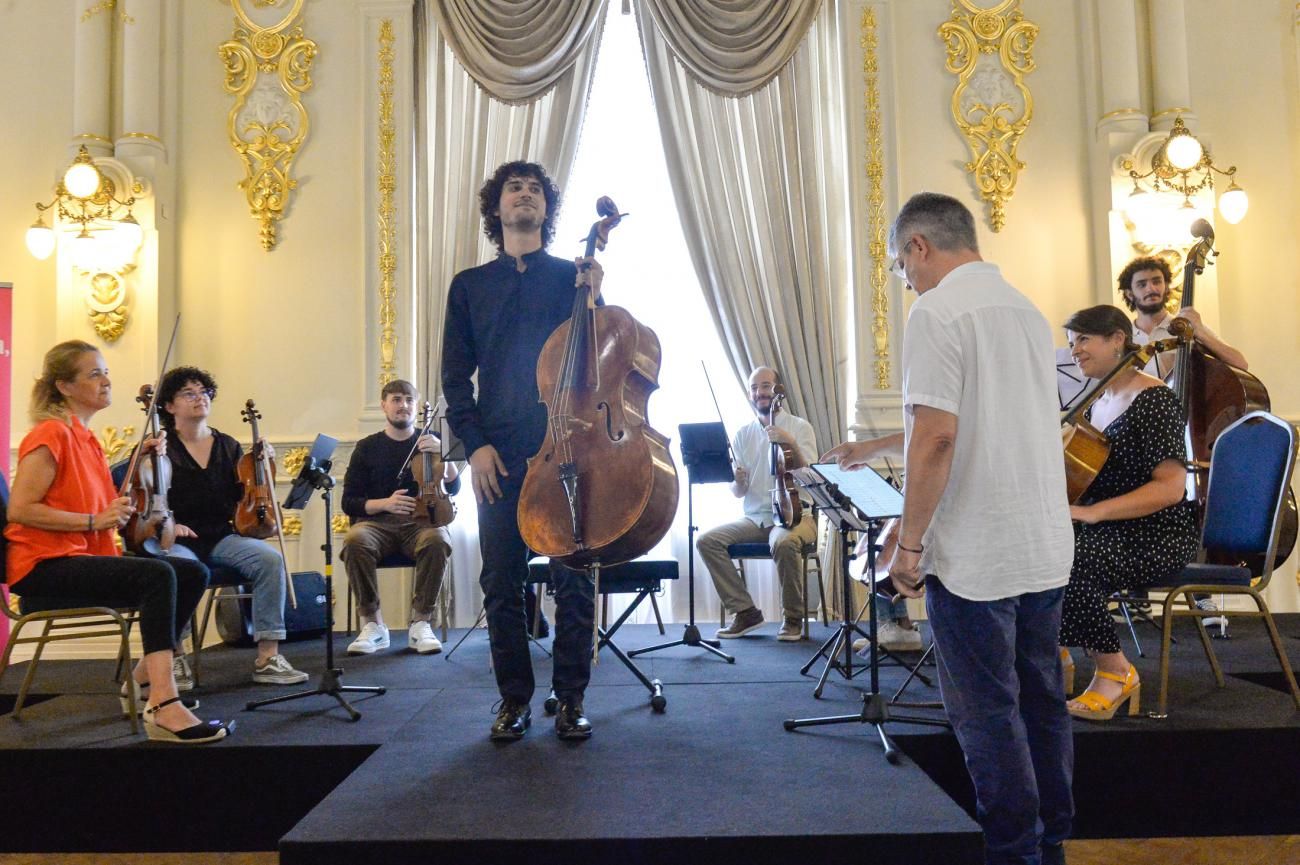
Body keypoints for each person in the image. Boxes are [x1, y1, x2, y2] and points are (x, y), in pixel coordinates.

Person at [826, 193, 1075, 865]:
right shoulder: (1026, 310)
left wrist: (908, 544)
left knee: (988, 715)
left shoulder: (936, 310)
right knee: (1044, 707)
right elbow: (982, 425)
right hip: (1043, 544)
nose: (904, 279)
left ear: (919, 248)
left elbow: (937, 439)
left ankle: (1012, 853)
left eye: (899, 264)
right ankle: (1050, 848)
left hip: (977, 556)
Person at [441, 160, 604, 741]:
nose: (525, 195)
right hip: (500, 456)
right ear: (497, 208)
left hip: (566, 448)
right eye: (515, 188)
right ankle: (513, 698)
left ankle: (571, 697)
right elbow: (456, 380)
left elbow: (596, 361)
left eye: (536, 190)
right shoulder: (469, 286)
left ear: (546, 210)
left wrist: (594, 299)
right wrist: (475, 447)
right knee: (501, 582)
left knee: (573, 578)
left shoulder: (571, 278)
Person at [4, 341, 227, 743]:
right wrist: (94, 519)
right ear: (64, 386)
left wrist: (137, 464)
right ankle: (163, 704)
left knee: (192, 570)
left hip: (77, 557)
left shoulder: (86, 440)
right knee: (157, 575)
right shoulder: (50, 434)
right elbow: (20, 509)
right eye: (94, 374)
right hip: (44, 566)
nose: (106, 380)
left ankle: (142, 678)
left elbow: (93, 493)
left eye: (105, 371)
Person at [1059, 305, 1198, 721]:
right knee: (1037, 547)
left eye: (1083, 339)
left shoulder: (1154, 399)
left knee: (1071, 558)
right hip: (1110, 528)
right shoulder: (1097, 398)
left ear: (1118, 338)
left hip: (1157, 533)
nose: (1075, 351)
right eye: (1071, 343)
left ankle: (1115, 673)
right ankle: (1055, 657)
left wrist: (1095, 512)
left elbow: (1170, 488)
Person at [156, 366, 308, 686]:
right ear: (169, 406)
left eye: (204, 393)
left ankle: (268, 656)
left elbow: (245, 495)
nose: (200, 399)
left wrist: (261, 466)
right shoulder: (159, 448)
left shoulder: (227, 446)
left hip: (219, 535)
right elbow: (149, 499)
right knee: (181, 570)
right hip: (176, 538)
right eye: (189, 393)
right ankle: (175, 656)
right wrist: (170, 523)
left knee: (270, 560)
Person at [695, 366, 817, 642]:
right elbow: (738, 492)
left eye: (765, 386)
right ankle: (745, 611)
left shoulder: (799, 427)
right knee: (706, 541)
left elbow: (810, 477)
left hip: (797, 515)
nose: (759, 393)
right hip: (756, 518)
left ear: (777, 391)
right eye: (754, 388)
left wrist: (791, 444)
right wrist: (737, 481)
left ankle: (793, 618)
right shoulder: (743, 434)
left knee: (783, 542)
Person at [339, 379, 460, 655]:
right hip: (377, 524)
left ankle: (421, 623)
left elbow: (453, 487)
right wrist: (387, 503)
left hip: (420, 524)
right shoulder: (366, 448)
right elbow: (349, 502)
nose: (402, 406)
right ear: (384, 405)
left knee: (438, 539)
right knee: (355, 539)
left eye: (408, 400)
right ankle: (373, 625)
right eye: (396, 399)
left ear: (415, 407)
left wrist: (444, 454)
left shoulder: (429, 443)